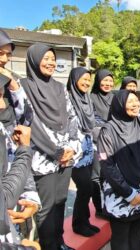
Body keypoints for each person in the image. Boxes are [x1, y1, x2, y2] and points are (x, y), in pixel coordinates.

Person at [21, 43, 82, 250]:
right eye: (45, 58)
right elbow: (31, 125)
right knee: (46, 208)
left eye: (53, 59)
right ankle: (49, 246)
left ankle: (60, 242)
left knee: (61, 202)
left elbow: (73, 119)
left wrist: (72, 147)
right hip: (43, 160)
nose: (51, 62)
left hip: (65, 158)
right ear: (34, 60)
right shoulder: (24, 87)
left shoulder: (58, 87)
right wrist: (55, 151)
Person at [98, 90, 140, 250]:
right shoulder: (108, 130)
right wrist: (129, 194)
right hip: (120, 196)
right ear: (119, 104)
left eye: (136, 101)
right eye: (130, 101)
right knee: (121, 242)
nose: (136, 104)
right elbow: (107, 165)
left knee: (137, 238)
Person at [0, 29, 41, 231]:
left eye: (8, 54)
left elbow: (19, 148)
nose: (5, 59)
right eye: (0, 52)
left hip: (13, 192)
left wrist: (30, 196)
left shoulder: (8, 89)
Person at [0, 73, 39, 250]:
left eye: (3, 96)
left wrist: (30, 199)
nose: (3, 105)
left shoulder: (6, 127)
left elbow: (17, 160)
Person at [67, 67, 100, 237]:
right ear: (74, 79)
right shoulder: (67, 98)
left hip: (88, 149)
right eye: (83, 79)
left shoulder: (86, 98)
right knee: (85, 186)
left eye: (89, 80)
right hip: (75, 151)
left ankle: (84, 221)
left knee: (87, 188)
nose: (87, 82)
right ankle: (78, 225)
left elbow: (91, 125)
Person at [90, 69, 114, 217]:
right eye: (104, 80)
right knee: (96, 176)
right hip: (96, 143)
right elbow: (91, 122)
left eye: (110, 81)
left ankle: (108, 205)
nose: (107, 84)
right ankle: (98, 208)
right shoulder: (91, 98)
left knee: (109, 175)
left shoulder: (115, 98)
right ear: (98, 81)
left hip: (113, 144)